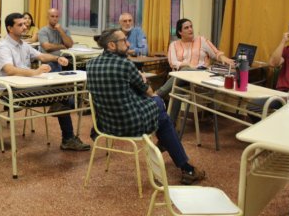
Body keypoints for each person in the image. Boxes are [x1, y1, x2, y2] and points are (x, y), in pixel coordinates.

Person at [86, 28, 206, 185]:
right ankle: (185, 166)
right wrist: (142, 79)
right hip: (131, 125)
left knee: (161, 115)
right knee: (159, 103)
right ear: (112, 45)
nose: (128, 44)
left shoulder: (91, 64)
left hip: (105, 126)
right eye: (124, 41)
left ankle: (172, 148)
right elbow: (148, 91)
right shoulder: (125, 65)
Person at [0, 12, 90, 151]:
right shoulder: (3, 47)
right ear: (10, 28)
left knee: (63, 92)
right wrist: (34, 72)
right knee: (62, 96)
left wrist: (57, 58)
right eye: (20, 25)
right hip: (10, 92)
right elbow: (9, 70)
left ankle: (65, 127)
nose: (25, 27)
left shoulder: (23, 45)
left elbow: (41, 56)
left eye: (24, 24)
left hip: (27, 85)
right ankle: (67, 137)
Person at [156, 18, 235, 125]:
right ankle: (171, 125)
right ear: (180, 32)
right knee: (177, 90)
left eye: (191, 26)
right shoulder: (173, 45)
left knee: (184, 72)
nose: (190, 29)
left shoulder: (201, 40)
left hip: (200, 76)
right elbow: (173, 62)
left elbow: (216, 53)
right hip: (184, 79)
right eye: (186, 28)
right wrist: (187, 65)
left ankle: (158, 94)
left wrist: (225, 59)